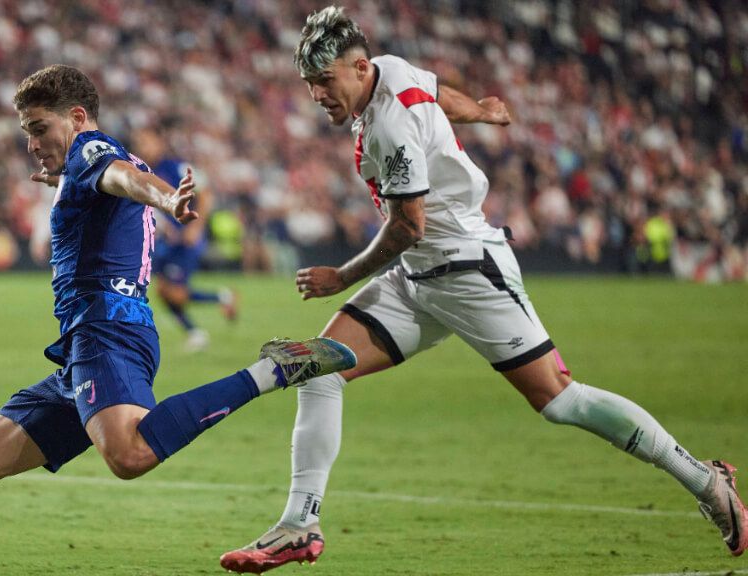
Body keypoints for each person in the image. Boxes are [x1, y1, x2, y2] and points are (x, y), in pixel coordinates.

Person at [220, 7, 747, 573]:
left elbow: (407, 226)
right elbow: (441, 93)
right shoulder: (391, 71)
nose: (317, 95)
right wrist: (484, 113)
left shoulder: (390, 123)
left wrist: (340, 278)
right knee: (318, 369)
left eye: (324, 82)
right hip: (419, 275)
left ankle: (704, 480)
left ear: (358, 67)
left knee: (559, 398)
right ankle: (300, 525)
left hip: (466, 269)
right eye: (309, 84)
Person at [0, 64, 357, 576]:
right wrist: (64, 180)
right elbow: (109, 185)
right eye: (27, 134)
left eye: (40, 129)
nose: (32, 143)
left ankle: (274, 371)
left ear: (77, 117)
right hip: (85, 344)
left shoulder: (92, 151)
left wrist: (169, 197)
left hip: (108, 332)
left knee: (129, 453)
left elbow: (124, 179)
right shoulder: (83, 164)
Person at [131, 127, 238, 351]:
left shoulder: (176, 167)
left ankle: (221, 299)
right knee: (162, 291)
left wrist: (196, 228)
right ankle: (195, 330)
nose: (142, 147)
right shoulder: (143, 171)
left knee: (175, 293)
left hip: (186, 240)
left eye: (147, 141)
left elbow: (206, 193)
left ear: (160, 142)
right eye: (139, 143)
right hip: (167, 241)